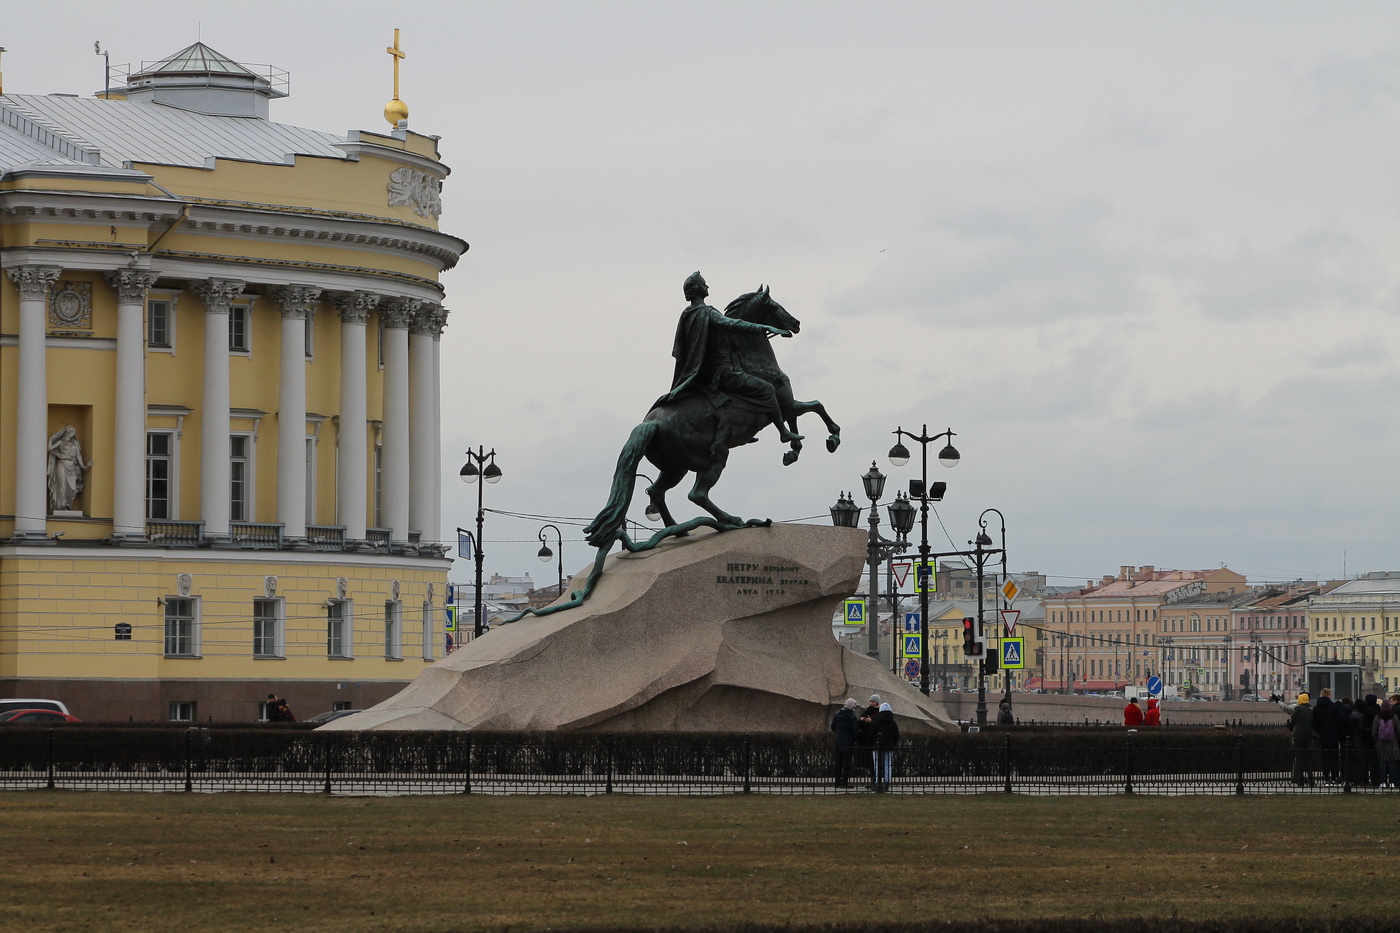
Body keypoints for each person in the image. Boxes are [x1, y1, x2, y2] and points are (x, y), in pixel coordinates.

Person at [661, 271, 802, 445]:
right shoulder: (706, 312)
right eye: (704, 284)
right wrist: (764, 327)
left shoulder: (687, 314)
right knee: (766, 389)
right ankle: (784, 432)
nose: (707, 286)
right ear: (697, 289)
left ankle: (743, 427)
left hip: (702, 374)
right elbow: (731, 324)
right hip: (722, 371)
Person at [46, 425, 90, 512]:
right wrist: (52, 439)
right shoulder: (60, 441)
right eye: (72, 432)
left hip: (72, 466)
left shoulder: (75, 442)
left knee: (73, 488)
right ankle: (61, 506)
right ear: (67, 432)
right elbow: (50, 448)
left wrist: (83, 466)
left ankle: (68, 504)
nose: (74, 434)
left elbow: (78, 455)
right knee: (61, 485)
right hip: (62, 465)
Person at [1279, 692, 1316, 787]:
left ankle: (1300, 780)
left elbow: (1293, 721)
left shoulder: (1298, 709)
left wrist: (1291, 726)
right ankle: (1311, 779)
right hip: (1308, 736)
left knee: (1299, 758)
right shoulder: (1311, 710)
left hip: (1298, 736)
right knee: (1308, 759)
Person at [871, 701, 900, 792]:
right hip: (889, 746)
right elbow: (896, 735)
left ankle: (877, 782)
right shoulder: (892, 722)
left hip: (877, 746)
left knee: (877, 764)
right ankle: (887, 782)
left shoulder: (876, 720)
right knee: (888, 764)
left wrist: (872, 743)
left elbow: (871, 733)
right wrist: (893, 743)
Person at [831, 698, 860, 788]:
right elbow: (856, 731)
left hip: (838, 741)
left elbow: (833, 727)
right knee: (846, 763)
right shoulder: (852, 717)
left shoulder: (837, 714)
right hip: (848, 743)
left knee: (838, 762)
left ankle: (837, 782)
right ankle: (844, 782)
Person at [1314, 688, 1340, 785]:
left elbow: (1315, 723)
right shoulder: (1334, 707)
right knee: (1334, 757)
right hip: (1333, 736)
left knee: (1325, 757)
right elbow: (1338, 721)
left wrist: (1319, 731)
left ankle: (1326, 777)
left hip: (1323, 736)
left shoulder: (1316, 708)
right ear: (1329, 695)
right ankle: (1334, 776)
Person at [1373, 700, 1400, 789]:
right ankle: (1392, 782)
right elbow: (1398, 730)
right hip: (1393, 743)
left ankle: (1383, 782)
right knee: (1392, 763)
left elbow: (1374, 731)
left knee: (1382, 763)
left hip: (1381, 743)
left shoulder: (1377, 717)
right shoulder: (1394, 717)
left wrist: (1376, 740)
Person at [855, 694, 880, 781]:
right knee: (867, 760)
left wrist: (870, 721)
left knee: (873, 760)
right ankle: (870, 776)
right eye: (870, 701)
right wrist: (862, 720)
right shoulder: (866, 711)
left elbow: (878, 725)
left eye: (873, 701)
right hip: (865, 739)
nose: (871, 703)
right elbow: (860, 725)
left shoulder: (879, 713)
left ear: (877, 703)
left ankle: (874, 778)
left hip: (874, 739)